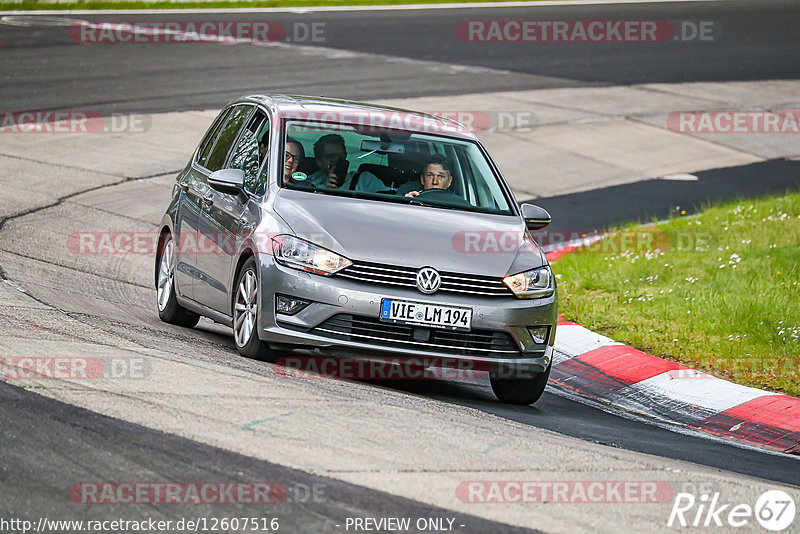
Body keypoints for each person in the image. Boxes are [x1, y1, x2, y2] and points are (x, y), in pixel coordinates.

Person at [308, 133, 384, 193]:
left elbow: (389, 197)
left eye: (340, 156)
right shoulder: (309, 185)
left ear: (345, 156)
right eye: (330, 156)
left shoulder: (364, 180)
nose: (336, 160)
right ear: (318, 161)